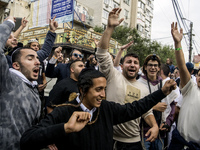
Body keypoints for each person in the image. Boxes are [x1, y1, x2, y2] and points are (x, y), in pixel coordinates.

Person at [20, 66, 176, 150]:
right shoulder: (64, 111)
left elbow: (135, 108)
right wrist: (65, 128)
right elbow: (27, 139)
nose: (103, 94)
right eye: (98, 89)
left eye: (105, 89)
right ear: (82, 90)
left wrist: (161, 93)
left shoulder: (107, 109)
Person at [96, 8, 158, 150]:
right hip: (108, 138)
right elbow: (101, 53)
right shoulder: (112, 75)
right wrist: (110, 28)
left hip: (132, 142)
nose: (132, 65)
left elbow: (146, 111)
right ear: (122, 65)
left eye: (135, 63)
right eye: (129, 62)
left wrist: (154, 126)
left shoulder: (143, 87)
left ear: (139, 67)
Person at [0, 16, 41, 149]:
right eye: (30, 58)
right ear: (16, 65)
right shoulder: (8, 80)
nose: (38, 62)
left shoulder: (34, 91)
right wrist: (9, 23)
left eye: (37, 58)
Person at [168, 22, 200, 149]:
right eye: (199, 75)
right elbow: (182, 66)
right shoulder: (191, 88)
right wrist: (177, 44)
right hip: (179, 144)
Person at [138, 54, 173, 150]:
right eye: (150, 65)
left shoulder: (165, 84)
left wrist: (167, 123)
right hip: (144, 131)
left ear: (158, 68)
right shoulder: (139, 83)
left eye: (155, 65)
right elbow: (135, 105)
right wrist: (153, 106)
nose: (153, 68)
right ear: (145, 67)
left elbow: (172, 106)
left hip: (161, 132)